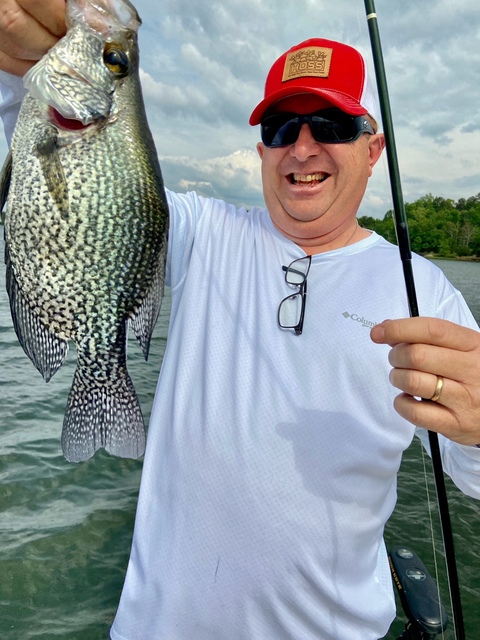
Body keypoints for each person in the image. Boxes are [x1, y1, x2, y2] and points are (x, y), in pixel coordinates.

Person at [1, 2, 480, 639]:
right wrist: (16, 73)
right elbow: (62, 172)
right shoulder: (203, 232)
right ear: (262, 150)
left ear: (374, 148)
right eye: (283, 128)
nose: (303, 146)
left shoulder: (428, 292)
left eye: (330, 123)